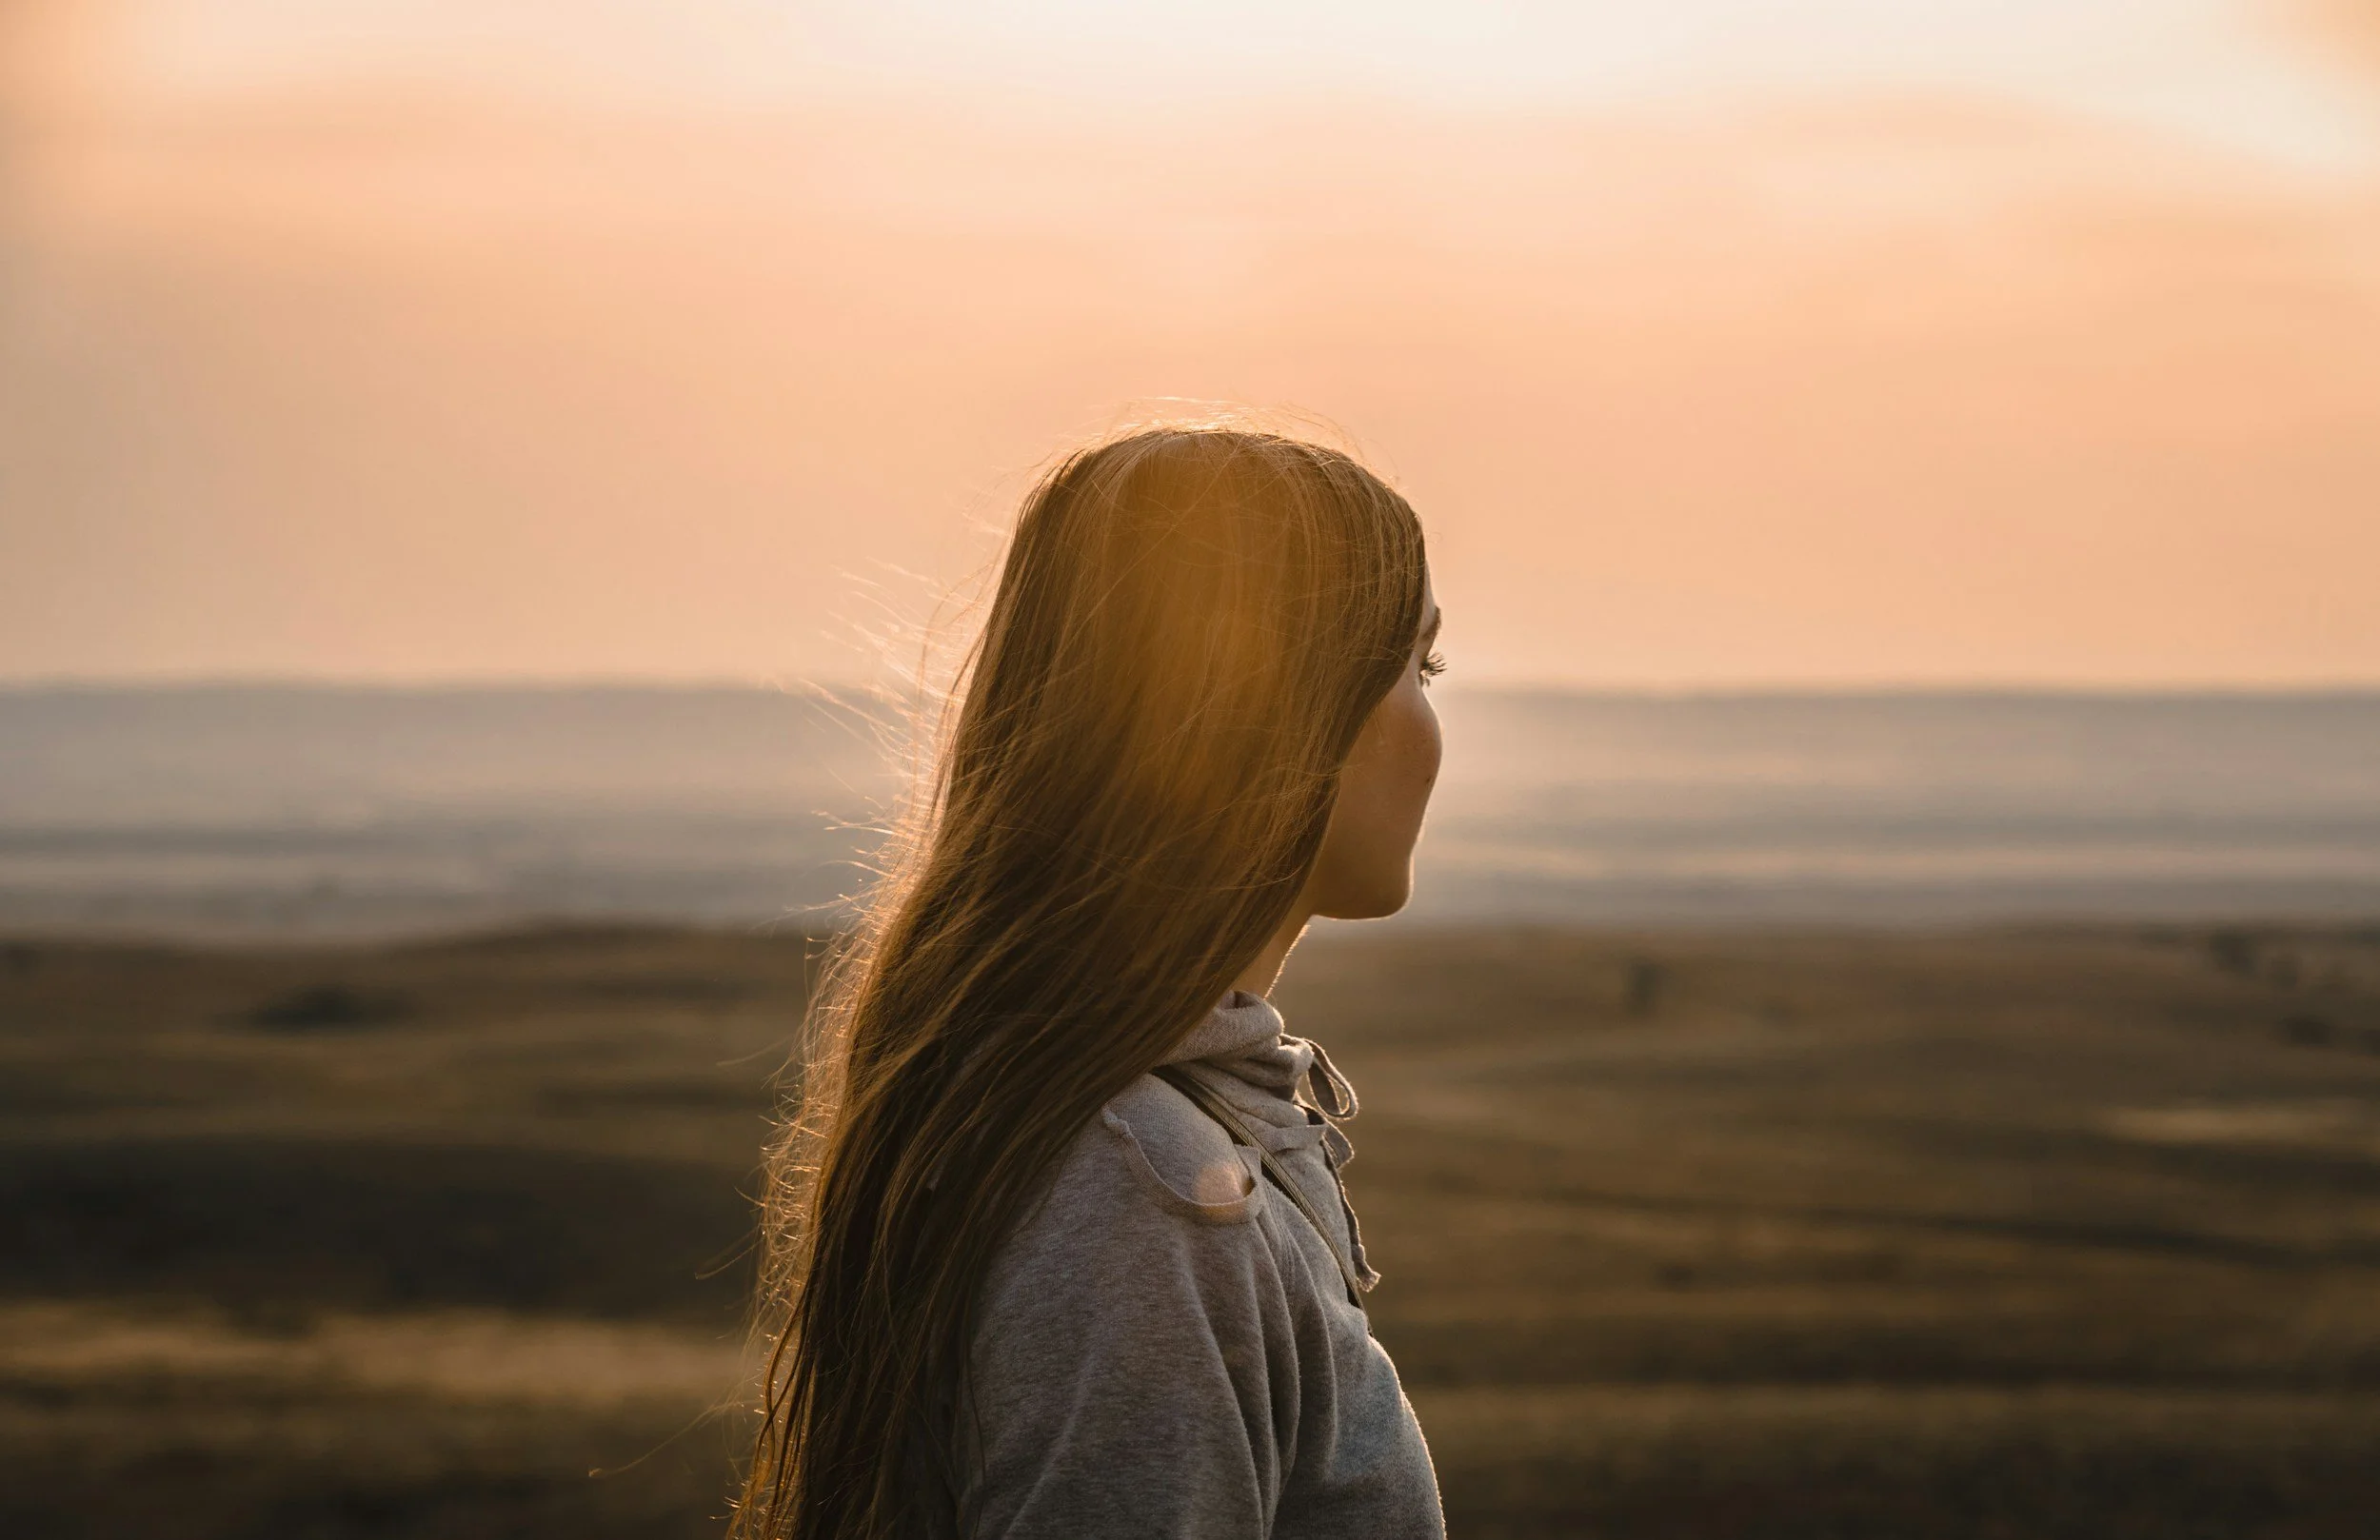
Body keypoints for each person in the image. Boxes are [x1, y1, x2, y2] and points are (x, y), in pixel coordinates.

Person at [734, 425, 1448, 1540]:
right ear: (1281, 709)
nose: (1432, 721)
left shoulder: (1129, 1138)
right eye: (1419, 663)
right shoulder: (1146, 1202)